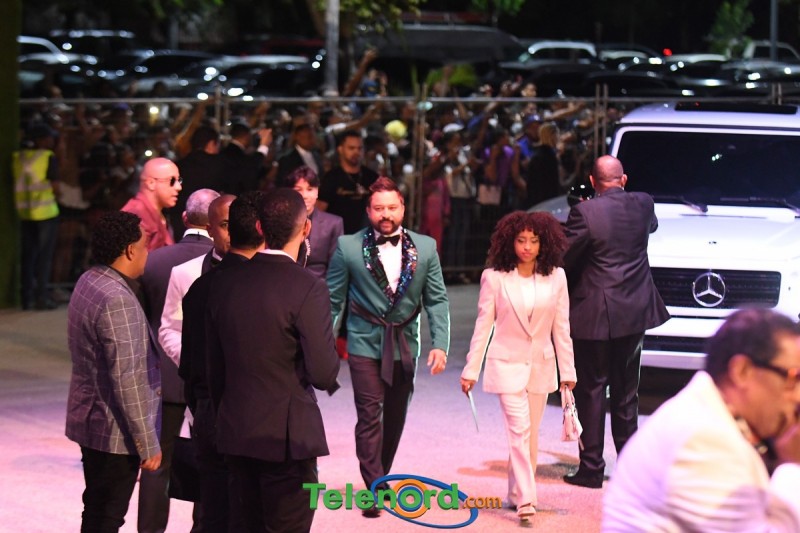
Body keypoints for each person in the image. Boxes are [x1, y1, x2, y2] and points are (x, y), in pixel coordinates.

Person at [206, 188, 340, 532]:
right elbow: (324, 373)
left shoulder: (223, 281)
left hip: (236, 431)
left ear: (260, 228)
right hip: (287, 440)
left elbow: (213, 367)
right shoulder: (308, 286)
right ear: (306, 228)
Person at [603, 308, 800, 531]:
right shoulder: (706, 439)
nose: (797, 396)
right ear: (742, 371)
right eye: (793, 378)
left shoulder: (706, 414)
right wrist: (791, 465)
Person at [327, 177, 450, 517]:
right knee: (369, 415)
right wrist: (324, 345)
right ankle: (376, 487)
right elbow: (333, 300)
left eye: (392, 207)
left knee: (395, 417)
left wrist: (441, 344)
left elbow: (437, 300)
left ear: (403, 209)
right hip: (364, 342)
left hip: (405, 344)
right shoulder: (348, 246)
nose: (386, 214)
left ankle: (380, 474)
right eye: (379, 208)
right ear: (368, 211)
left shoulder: (426, 247)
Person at [460, 211, 576, 525]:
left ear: (544, 243)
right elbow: (483, 326)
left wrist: (568, 372)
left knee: (530, 435)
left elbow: (561, 328)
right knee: (519, 430)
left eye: (533, 241)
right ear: (509, 242)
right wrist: (471, 369)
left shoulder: (557, 277)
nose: (527, 247)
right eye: (521, 240)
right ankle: (527, 499)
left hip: (541, 365)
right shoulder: (494, 277)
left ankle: (515, 492)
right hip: (506, 364)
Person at [562, 155, 669, 489]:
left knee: (592, 390)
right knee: (626, 393)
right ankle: (630, 470)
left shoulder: (584, 213)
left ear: (593, 182)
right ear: (623, 180)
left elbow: (565, 257)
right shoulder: (644, 204)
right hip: (634, 311)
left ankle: (592, 469)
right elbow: (650, 227)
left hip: (594, 313)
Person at [65, 210, 162, 532]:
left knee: (95, 510)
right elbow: (128, 379)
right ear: (130, 250)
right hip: (114, 434)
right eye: (145, 246)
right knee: (107, 516)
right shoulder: (117, 299)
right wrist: (148, 443)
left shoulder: (88, 280)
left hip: (90, 421)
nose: (148, 253)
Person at [178, 191, 265, 532]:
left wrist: (201, 404)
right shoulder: (272, 286)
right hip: (247, 417)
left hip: (212, 413)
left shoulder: (201, 288)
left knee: (216, 514)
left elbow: (189, 368)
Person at [136, 189, 220, 533]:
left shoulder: (154, 261)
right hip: (211, 379)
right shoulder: (229, 263)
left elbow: (143, 322)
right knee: (211, 459)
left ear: (185, 218)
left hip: (163, 378)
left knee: (157, 462)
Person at [14, 123, 61, 310]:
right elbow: (55, 186)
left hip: (25, 213)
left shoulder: (19, 157)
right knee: (44, 258)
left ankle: (26, 298)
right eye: (49, 137)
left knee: (28, 257)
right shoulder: (48, 156)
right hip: (46, 212)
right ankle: (42, 298)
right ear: (42, 140)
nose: (52, 141)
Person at [285, 166, 344, 279]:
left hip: (319, 285)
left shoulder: (333, 223)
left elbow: (336, 268)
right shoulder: (281, 221)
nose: (305, 195)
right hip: (287, 282)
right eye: (298, 190)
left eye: (310, 189)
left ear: (317, 192)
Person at [318, 130, 379, 234]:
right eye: (351, 148)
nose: (356, 152)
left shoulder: (372, 177)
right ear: (340, 149)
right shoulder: (331, 178)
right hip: (338, 236)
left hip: (366, 236)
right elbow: (319, 211)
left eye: (360, 148)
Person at [121, 157, 183, 251]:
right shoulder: (136, 215)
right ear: (151, 183)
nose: (179, 187)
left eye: (179, 180)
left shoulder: (156, 212)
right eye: (172, 180)